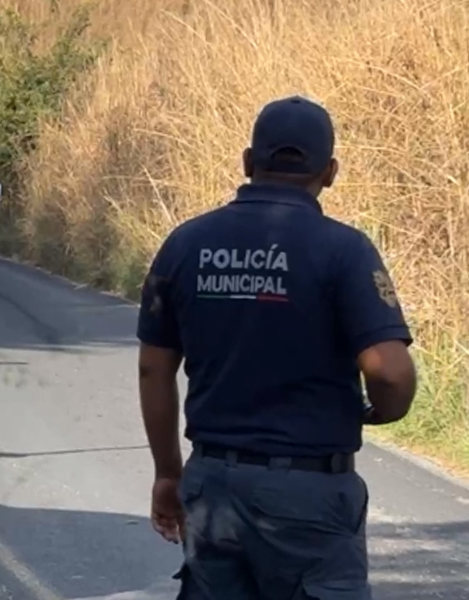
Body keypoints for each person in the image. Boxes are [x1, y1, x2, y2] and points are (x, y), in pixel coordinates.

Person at [136, 96, 417, 600]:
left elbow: (153, 370)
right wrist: (382, 411)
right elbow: (390, 373)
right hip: (309, 496)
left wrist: (167, 473)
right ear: (329, 172)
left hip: (212, 487)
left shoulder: (186, 244)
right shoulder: (343, 250)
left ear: (248, 162)